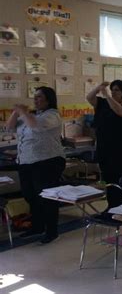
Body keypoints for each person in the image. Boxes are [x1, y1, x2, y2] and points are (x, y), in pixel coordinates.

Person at [5, 87, 65, 244]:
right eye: (34, 97)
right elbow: (9, 127)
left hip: (47, 162)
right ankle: (37, 226)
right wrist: (16, 112)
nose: (35, 100)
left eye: (39, 97)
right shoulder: (31, 115)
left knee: (47, 197)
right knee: (30, 196)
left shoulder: (53, 115)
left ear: (48, 99)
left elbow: (36, 126)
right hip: (26, 162)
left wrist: (24, 112)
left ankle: (51, 231)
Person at [86, 80, 122, 209]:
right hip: (105, 149)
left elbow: (119, 112)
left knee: (118, 180)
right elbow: (89, 97)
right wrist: (99, 87)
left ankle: (119, 207)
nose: (113, 92)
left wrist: (107, 96)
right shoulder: (103, 104)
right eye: (112, 89)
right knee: (108, 180)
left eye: (117, 90)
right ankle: (112, 207)